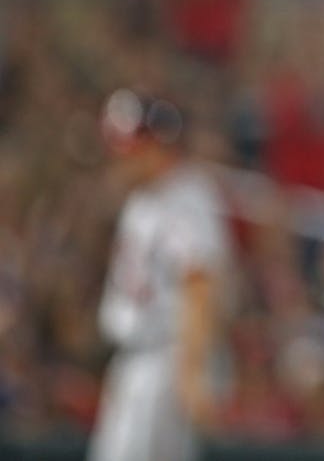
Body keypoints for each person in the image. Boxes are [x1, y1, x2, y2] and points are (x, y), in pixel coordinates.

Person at [88, 89, 231, 461]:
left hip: (164, 361)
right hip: (135, 360)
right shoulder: (145, 198)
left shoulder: (186, 199)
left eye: (132, 144)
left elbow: (198, 284)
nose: (120, 155)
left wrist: (192, 371)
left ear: (157, 143)